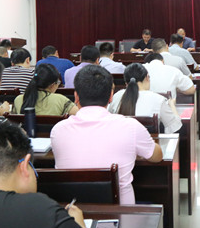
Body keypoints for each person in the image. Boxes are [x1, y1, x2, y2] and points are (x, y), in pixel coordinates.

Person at [51, 65, 163, 205]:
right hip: (121, 214)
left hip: (72, 213)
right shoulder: (130, 127)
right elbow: (157, 156)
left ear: (76, 96)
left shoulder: (58, 130)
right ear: (111, 96)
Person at [108, 63, 182, 134]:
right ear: (147, 77)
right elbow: (175, 126)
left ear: (126, 82)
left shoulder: (117, 96)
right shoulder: (158, 100)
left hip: (120, 141)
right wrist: (172, 105)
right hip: (149, 142)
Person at [13, 63, 78, 115]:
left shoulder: (18, 100)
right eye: (58, 82)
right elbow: (80, 115)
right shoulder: (60, 100)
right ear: (52, 85)